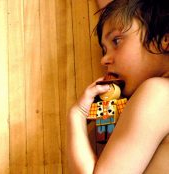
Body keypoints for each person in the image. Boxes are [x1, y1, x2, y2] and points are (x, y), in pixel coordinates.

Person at [67, 0, 169, 173]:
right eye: (104, 50)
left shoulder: (159, 93)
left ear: (165, 39)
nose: (104, 60)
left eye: (116, 41)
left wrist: (77, 115)